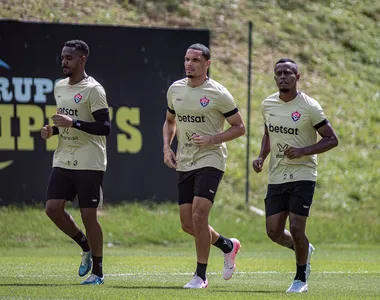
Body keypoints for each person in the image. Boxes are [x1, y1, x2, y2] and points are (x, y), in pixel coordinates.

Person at [162, 43, 246, 289]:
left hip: (211, 159)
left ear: (207, 64)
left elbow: (239, 127)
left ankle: (200, 276)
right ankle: (227, 246)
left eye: (195, 60)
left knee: (199, 215)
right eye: (187, 59)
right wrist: (166, 148)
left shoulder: (218, 93)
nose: (189, 64)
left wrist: (211, 139)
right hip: (185, 160)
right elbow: (169, 121)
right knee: (188, 224)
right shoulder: (175, 89)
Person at [252, 58, 339, 293]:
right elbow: (269, 134)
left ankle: (300, 279)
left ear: (297, 77)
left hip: (303, 174)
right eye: (278, 73)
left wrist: (303, 151)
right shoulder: (268, 104)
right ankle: (304, 249)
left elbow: (332, 139)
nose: (283, 76)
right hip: (277, 175)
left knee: (297, 227)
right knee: (273, 232)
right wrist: (261, 156)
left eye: (288, 72)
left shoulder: (309, 107)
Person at [40, 40, 111, 285]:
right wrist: (53, 131)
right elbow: (66, 122)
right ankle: (85, 246)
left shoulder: (94, 90)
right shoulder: (59, 87)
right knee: (52, 208)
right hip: (63, 157)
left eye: (69, 57)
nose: (64, 62)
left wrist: (74, 124)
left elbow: (105, 127)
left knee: (88, 215)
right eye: (63, 57)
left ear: (82, 59)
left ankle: (99, 273)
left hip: (90, 161)